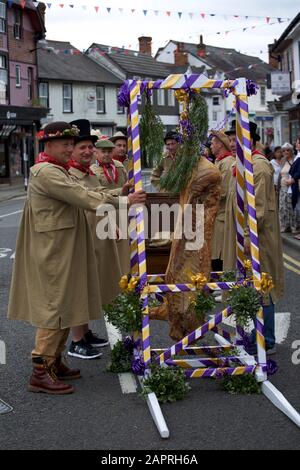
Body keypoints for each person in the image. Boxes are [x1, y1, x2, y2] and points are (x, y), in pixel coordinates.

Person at [7, 121, 146, 395]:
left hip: (63, 247)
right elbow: (82, 197)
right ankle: (40, 370)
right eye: (66, 144)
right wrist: (124, 202)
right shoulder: (47, 172)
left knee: (65, 304)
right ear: (49, 145)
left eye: (73, 144)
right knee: (55, 307)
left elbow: (89, 192)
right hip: (54, 251)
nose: (70, 149)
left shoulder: (57, 169)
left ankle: (54, 362)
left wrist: (120, 193)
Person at [223, 122, 284, 355]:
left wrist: (247, 235)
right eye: (230, 140)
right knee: (251, 283)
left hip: (258, 238)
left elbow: (256, 208)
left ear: (249, 140)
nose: (231, 144)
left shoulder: (259, 167)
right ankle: (257, 333)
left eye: (234, 140)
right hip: (244, 235)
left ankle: (267, 339)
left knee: (263, 284)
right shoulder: (242, 164)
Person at [67, 119, 125, 359]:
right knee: (80, 287)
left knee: (93, 286)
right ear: (72, 150)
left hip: (97, 235)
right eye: (84, 147)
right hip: (81, 238)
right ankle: (76, 340)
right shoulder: (69, 174)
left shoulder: (87, 173)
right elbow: (89, 201)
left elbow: (100, 198)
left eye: (91, 147)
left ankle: (86, 332)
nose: (89, 151)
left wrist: (114, 219)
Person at [91, 139, 130, 276]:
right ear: (96, 153)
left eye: (109, 151)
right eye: (103, 152)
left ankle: (125, 277)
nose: (106, 155)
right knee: (106, 247)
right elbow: (97, 193)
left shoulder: (119, 167)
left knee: (123, 248)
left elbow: (127, 184)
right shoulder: (93, 171)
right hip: (104, 212)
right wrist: (121, 192)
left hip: (122, 211)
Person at [210, 130, 235, 273]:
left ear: (220, 145)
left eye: (213, 143)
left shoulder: (227, 163)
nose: (211, 146)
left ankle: (225, 287)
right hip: (217, 215)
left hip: (223, 217)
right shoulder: (220, 162)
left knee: (220, 256)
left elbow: (223, 192)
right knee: (215, 255)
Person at [279, 142, 298, 233]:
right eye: (284, 150)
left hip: (291, 187)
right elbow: (280, 174)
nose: (286, 152)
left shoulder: (295, 160)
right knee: (283, 208)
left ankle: (294, 227)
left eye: (288, 150)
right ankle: (285, 226)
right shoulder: (283, 160)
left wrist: (292, 181)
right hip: (282, 188)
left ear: (291, 151)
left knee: (291, 207)